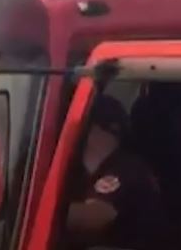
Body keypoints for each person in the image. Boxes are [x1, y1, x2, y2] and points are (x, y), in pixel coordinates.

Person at [64, 94, 167, 250]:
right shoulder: (82, 171)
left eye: (85, 127)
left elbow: (96, 215)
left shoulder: (127, 168)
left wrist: (46, 215)